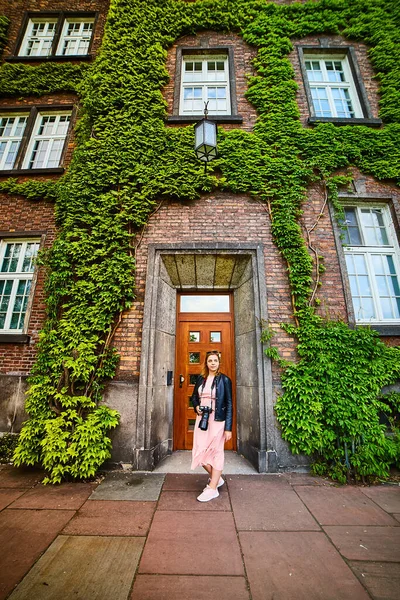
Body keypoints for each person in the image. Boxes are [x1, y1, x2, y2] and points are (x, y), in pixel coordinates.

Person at [190, 350, 233, 502]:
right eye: (210, 361)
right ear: (206, 363)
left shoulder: (225, 380)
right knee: (199, 451)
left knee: (216, 452)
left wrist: (228, 428)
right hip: (202, 419)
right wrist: (196, 407)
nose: (212, 363)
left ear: (219, 363)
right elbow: (194, 398)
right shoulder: (201, 379)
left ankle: (212, 488)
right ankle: (217, 478)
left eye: (215, 360)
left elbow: (229, 404)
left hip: (218, 420)